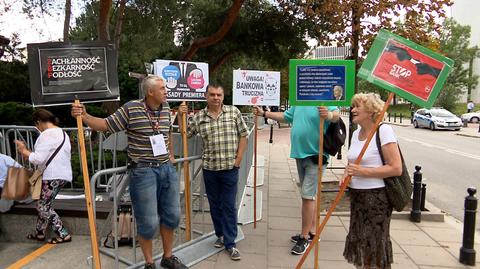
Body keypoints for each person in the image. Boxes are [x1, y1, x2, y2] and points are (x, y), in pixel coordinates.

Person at [71, 75, 187, 269]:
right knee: (148, 222)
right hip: (143, 172)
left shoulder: (166, 108)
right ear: (150, 92)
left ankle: (168, 258)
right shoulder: (131, 108)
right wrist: (84, 116)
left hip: (167, 168)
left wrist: (171, 155)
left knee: (172, 216)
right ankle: (149, 263)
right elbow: (105, 125)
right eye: (162, 88)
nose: (167, 91)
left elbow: (166, 133)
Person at [254, 104, 340, 255]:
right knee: (310, 195)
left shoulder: (324, 98)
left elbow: (336, 115)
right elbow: (286, 116)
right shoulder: (300, 100)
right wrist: (264, 113)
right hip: (300, 154)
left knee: (307, 196)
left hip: (316, 156)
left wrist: (329, 115)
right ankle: (312, 232)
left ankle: (304, 237)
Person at [178, 84, 248, 261]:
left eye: (219, 94)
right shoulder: (199, 117)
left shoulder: (233, 112)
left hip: (230, 169)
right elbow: (186, 134)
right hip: (210, 169)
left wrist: (238, 159)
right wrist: (180, 115)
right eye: (212, 94)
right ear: (206, 96)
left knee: (229, 205)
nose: (216, 97)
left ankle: (231, 243)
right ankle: (221, 235)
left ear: (223, 96)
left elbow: (244, 135)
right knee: (215, 205)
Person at [342, 93, 402, 269]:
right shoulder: (356, 134)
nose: (352, 110)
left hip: (376, 199)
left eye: (357, 107)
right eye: (352, 106)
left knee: (374, 246)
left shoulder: (383, 131)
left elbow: (395, 168)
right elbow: (352, 163)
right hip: (357, 197)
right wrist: (346, 175)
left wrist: (362, 171)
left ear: (370, 111)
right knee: (360, 242)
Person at [14, 109, 73, 244]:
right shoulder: (62, 133)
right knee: (45, 203)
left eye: (36, 125)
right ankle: (40, 232)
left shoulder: (47, 135)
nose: (37, 128)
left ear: (39, 122)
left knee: (42, 206)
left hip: (51, 176)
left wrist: (24, 151)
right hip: (62, 175)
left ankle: (63, 234)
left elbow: (38, 159)